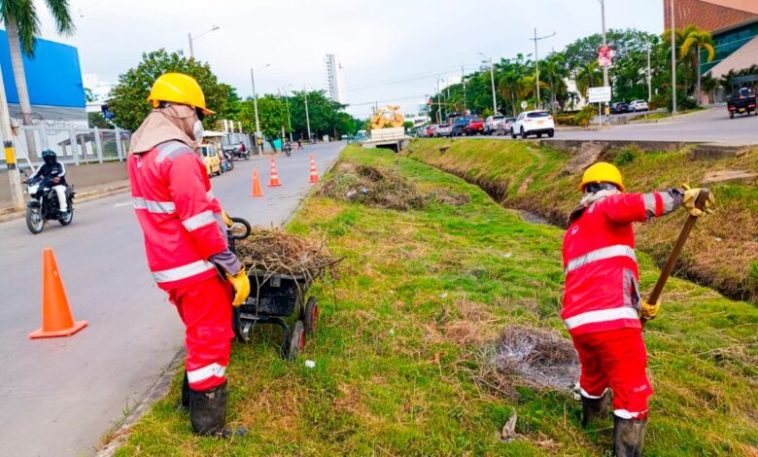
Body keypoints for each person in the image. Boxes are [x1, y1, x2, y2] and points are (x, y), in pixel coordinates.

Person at [127, 72, 250, 437]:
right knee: (211, 338)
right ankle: (209, 426)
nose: (199, 121)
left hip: (167, 265)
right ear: (179, 108)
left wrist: (218, 212)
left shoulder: (142, 152)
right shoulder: (178, 155)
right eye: (198, 113)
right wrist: (231, 265)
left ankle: (188, 400)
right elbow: (195, 220)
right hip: (194, 266)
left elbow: (177, 203)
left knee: (197, 332)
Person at [561, 162, 713, 457]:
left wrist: (637, 307)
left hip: (578, 321)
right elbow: (642, 204)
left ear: (585, 190)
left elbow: (598, 276)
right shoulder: (608, 206)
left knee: (593, 374)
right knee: (632, 387)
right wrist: (680, 197)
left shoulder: (573, 230)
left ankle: (589, 421)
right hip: (612, 320)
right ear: (613, 188)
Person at [31, 149, 69, 215]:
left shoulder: (59, 164)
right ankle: (41, 206)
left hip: (58, 184)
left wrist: (58, 177)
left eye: (50, 158)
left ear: (54, 157)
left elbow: (63, 172)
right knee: (37, 190)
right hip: (47, 184)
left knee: (60, 191)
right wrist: (29, 179)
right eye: (47, 158)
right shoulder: (43, 166)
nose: (49, 159)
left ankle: (64, 210)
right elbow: (36, 174)